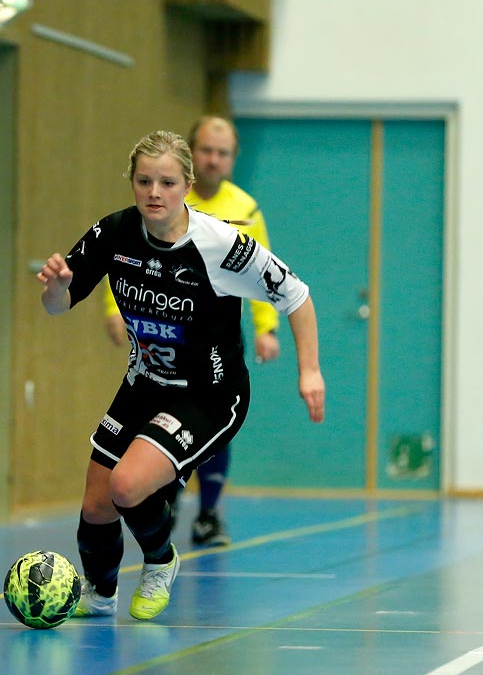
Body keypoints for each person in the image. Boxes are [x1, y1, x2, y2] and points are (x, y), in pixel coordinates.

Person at [40, 130, 325, 621]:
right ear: (131, 182)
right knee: (95, 508)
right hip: (143, 383)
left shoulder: (221, 246)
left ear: (188, 185)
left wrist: (310, 371)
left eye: (168, 183)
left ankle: (161, 561)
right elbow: (57, 306)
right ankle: (101, 595)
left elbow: (296, 294)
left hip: (209, 396)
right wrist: (57, 287)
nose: (155, 193)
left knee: (126, 486)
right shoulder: (114, 233)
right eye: (145, 181)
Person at [102, 115, 277, 548]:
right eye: (206, 151)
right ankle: (166, 501)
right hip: (160, 338)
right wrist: (112, 309)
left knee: (211, 420)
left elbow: (264, 272)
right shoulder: (162, 198)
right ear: (192, 158)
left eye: (223, 153)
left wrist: (266, 328)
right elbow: (124, 256)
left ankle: (209, 513)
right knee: (154, 424)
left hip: (210, 345)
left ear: (233, 160)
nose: (214, 160)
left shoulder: (245, 211)